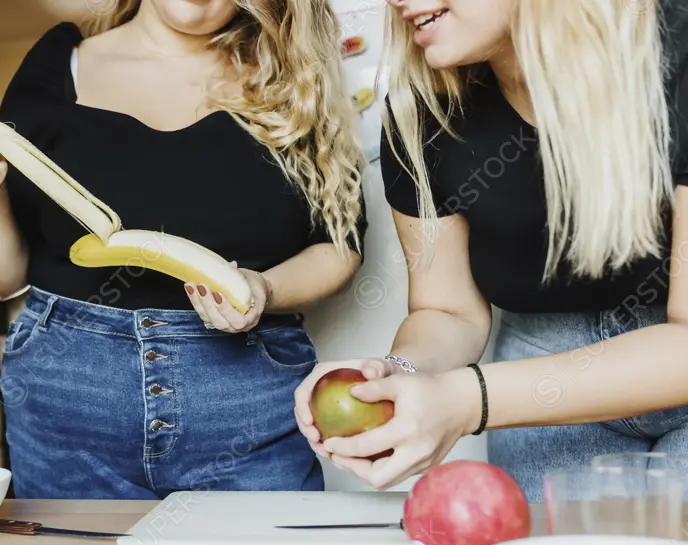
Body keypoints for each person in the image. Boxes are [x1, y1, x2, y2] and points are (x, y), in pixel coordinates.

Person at [0, 0, 369, 499]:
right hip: (68, 397)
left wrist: (263, 290)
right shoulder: (59, 63)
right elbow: (0, 278)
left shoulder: (292, 76)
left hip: (247, 397)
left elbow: (340, 244)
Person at [293, 0, 688, 502]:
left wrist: (466, 399)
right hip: (539, 385)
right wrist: (401, 371)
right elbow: (447, 309)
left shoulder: (676, 54)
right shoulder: (424, 112)